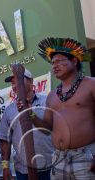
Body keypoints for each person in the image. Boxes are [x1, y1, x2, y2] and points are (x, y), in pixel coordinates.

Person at [26, 37, 95, 179]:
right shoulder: (52, 96)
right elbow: (46, 129)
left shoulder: (91, 85)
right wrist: (30, 113)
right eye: (52, 63)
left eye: (59, 61)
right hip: (58, 159)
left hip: (86, 157)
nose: (54, 66)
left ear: (74, 61)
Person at [0, 67, 54, 180]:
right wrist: (5, 167)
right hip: (23, 171)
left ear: (31, 81)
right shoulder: (9, 110)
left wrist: (30, 113)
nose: (14, 85)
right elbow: (5, 140)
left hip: (50, 167)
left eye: (18, 81)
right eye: (12, 83)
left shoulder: (47, 101)